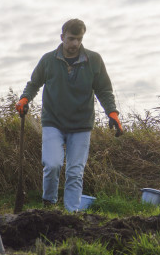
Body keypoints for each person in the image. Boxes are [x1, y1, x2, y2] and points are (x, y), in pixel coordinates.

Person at [16, 19, 122, 211]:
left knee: (75, 172)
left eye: (79, 39)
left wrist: (112, 112)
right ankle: (49, 204)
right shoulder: (48, 60)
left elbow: (104, 90)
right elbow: (34, 84)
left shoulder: (94, 60)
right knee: (52, 164)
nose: (75, 44)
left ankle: (72, 213)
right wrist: (24, 99)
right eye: (71, 39)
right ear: (62, 37)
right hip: (53, 122)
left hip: (81, 124)